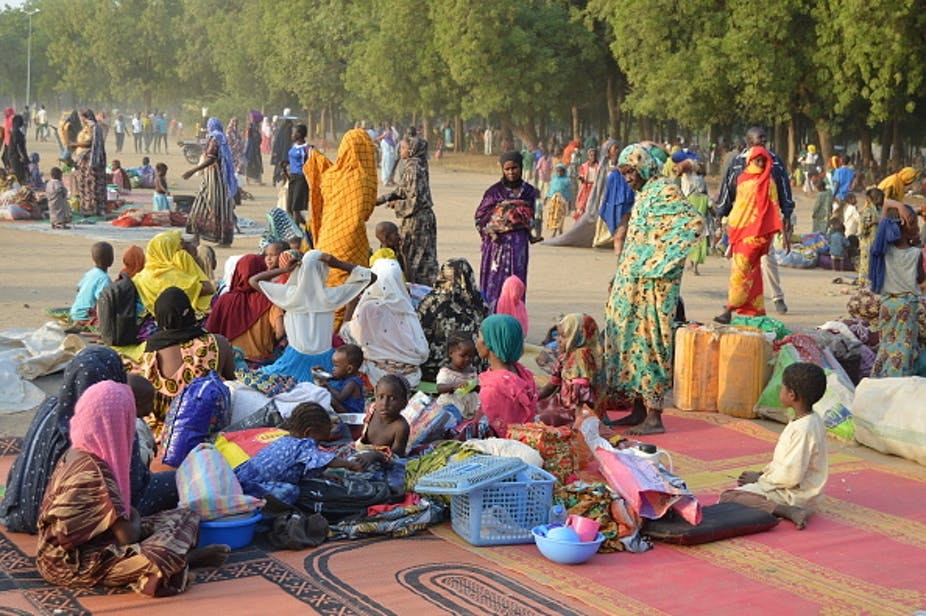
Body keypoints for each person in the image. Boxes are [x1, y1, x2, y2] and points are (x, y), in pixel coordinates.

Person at [36, 380, 229, 597]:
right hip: (70, 563)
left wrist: (129, 516)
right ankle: (185, 560)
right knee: (159, 557)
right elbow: (128, 536)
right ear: (115, 423)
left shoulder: (78, 450)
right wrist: (133, 517)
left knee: (186, 516)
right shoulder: (96, 473)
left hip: (90, 540)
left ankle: (177, 556)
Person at [1, 346, 178, 535]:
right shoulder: (109, 417)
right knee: (179, 483)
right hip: (62, 524)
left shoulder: (50, 405)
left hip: (18, 510)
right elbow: (131, 491)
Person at [603, 143, 702, 435]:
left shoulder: (665, 191)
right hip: (632, 284)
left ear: (644, 165)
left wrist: (656, 264)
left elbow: (693, 224)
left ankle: (655, 416)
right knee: (629, 340)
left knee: (651, 344)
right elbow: (638, 240)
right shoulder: (645, 195)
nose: (628, 178)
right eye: (623, 173)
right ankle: (637, 408)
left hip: (654, 288)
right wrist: (622, 273)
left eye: (630, 171)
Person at [719, 362, 829, 530]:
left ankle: (786, 511)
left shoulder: (804, 429)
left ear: (791, 395)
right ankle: (777, 507)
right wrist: (761, 474)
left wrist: (761, 480)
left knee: (728, 497)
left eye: (782, 388)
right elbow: (785, 462)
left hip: (794, 495)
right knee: (741, 492)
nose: (780, 391)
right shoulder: (810, 420)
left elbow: (791, 475)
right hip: (792, 489)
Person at [257, 250, 372, 382]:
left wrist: (283, 270)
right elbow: (370, 277)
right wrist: (338, 264)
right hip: (324, 361)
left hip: (293, 359)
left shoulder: (290, 295)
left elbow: (254, 280)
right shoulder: (330, 296)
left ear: (301, 269)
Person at [716, 127, 794, 316]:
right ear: (749, 142)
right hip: (743, 222)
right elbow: (728, 190)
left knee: (766, 261)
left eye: (764, 141)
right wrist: (721, 214)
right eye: (759, 141)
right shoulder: (737, 164)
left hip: (765, 224)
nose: (763, 144)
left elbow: (783, 190)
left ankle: (776, 297)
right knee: (742, 266)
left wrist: (787, 216)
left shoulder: (774, 163)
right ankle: (746, 305)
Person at [132, 287, 236, 421]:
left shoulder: (148, 355)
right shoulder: (216, 343)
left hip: (161, 437)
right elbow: (233, 385)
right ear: (189, 311)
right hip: (206, 429)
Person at [234, 402, 361, 507]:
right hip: (252, 489)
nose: (318, 445)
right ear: (308, 432)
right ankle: (263, 512)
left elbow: (302, 466)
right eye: (320, 440)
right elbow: (327, 460)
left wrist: (325, 474)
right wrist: (350, 465)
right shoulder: (304, 444)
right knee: (292, 491)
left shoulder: (284, 439)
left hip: (239, 479)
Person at [342, 258, 429, 387]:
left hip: (377, 376)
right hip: (411, 378)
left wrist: (351, 304)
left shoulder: (368, 307)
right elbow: (423, 352)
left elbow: (346, 336)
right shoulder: (405, 307)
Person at [313, 128, 378, 296]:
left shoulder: (331, 176)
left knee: (327, 284)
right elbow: (366, 211)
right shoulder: (363, 179)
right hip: (351, 239)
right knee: (351, 286)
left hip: (327, 238)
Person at [475, 151, 540, 309]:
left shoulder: (530, 192)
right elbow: (479, 217)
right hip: (497, 246)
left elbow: (537, 216)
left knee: (516, 283)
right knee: (495, 283)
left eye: (514, 168)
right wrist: (492, 229)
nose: (511, 172)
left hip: (519, 245)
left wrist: (532, 229)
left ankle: (515, 319)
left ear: (521, 167)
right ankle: (493, 319)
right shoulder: (494, 192)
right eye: (507, 169)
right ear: (502, 170)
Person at [869, 201, 924, 377]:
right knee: (904, 348)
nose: (917, 228)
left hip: (887, 304)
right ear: (903, 226)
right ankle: (899, 381)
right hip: (907, 306)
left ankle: (881, 379)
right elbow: (921, 279)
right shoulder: (915, 253)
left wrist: (900, 209)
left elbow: (885, 205)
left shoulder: (883, 250)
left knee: (886, 345)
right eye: (914, 224)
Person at [376, 136, 440, 286]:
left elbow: (415, 200)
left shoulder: (414, 169)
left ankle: (417, 290)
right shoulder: (414, 165)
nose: (401, 150)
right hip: (419, 218)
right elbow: (401, 190)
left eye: (404, 148)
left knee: (415, 257)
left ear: (412, 150)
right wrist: (381, 200)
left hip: (418, 221)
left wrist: (396, 204)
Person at [416, 258, 490, 383]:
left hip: (435, 370)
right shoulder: (478, 303)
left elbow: (418, 335)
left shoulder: (430, 302)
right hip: (472, 368)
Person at [205, 254, 284, 363]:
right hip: (260, 361)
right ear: (263, 272)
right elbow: (280, 332)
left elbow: (210, 333)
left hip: (229, 361)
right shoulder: (270, 300)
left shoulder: (224, 300)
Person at [475, 314, 537, 438]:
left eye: (479, 337)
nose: (476, 342)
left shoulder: (492, 389)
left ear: (489, 344)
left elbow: (493, 432)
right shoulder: (523, 373)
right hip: (526, 439)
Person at [537, 313, 603, 426]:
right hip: (565, 404)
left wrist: (577, 425)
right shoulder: (565, 357)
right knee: (533, 408)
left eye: (564, 336)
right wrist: (533, 398)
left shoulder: (582, 358)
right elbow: (552, 384)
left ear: (578, 336)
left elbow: (582, 400)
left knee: (540, 418)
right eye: (558, 335)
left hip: (580, 412)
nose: (558, 340)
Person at [182, 117, 238, 246]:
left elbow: (211, 159)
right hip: (217, 180)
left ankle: (200, 237)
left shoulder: (215, 139)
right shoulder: (222, 138)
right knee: (212, 207)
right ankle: (217, 238)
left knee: (206, 206)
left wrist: (193, 170)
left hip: (214, 181)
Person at [132, 231, 214, 318]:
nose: (181, 253)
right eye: (178, 249)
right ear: (169, 251)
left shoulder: (138, 278)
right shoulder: (176, 277)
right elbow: (208, 288)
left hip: (150, 324)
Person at [356, 374, 411, 459]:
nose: (385, 404)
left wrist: (375, 456)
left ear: (404, 403)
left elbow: (395, 458)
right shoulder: (372, 411)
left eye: (392, 398)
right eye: (380, 397)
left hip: (380, 464)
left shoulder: (400, 427)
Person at [435, 332, 480, 420]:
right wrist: (454, 386)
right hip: (452, 408)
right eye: (463, 356)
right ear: (451, 353)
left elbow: (477, 387)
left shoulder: (472, 371)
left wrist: (476, 387)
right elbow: (439, 387)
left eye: (471, 356)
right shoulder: (447, 372)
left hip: (469, 407)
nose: (467, 359)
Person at [71, 110, 107, 217]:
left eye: (82, 118)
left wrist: (75, 144)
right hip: (90, 160)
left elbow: (90, 143)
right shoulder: (90, 128)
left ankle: (92, 208)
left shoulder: (93, 128)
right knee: (88, 184)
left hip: (91, 160)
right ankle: (90, 207)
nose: (81, 120)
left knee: (92, 184)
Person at [68, 241, 113, 326]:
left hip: (75, 312)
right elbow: (102, 301)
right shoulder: (104, 279)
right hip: (86, 316)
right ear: (111, 259)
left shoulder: (90, 273)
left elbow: (79, 288)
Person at [313, 344, 365, 415]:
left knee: (331, 400)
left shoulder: (352, 383)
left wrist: (328, 386)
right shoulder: (345, 377)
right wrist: (323, 373)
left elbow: (340, 397)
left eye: (336, 366)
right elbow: (332, 377)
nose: (333, 368)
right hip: (345, 409)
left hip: (351, 415)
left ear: (349, 369)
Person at [282, 124, 311, 226]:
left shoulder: (307, 148)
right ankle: (308, 227)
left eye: (293, 133)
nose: (292, 135)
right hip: (292, 178)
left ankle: (296, 234)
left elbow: (312, 163)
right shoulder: (294, 146)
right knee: (290, 208)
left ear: (299, 134)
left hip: (301, 178)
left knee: (296, 208)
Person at [856, 188, 882, 287]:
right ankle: (867, 281)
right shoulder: (874, 210)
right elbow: (867, 225)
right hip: (872, 239)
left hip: (871, 239)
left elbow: (866, 226)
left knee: (868, 261)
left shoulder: (872, 209)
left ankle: (866, 281)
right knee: (869, 261)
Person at [544, 163, 571, 237]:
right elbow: (550, 189)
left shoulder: (567, 180)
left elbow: (568, 192)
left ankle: (559, 230)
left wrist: (569, 201)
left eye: (561, 171)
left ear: (563, 171)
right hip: (553, 199)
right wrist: (546, 197)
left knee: (560, 216)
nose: (559, 173)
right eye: (558, 171)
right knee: (553, 216)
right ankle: (555, 230)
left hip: (562, 200)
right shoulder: (554, 179)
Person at [573, 147, 599, 220]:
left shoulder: (599, 167)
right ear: (588, 156)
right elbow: (582, 175)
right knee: (582, 205)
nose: (593, 157)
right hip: (586, 188)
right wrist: (581, 178)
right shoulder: (584, 166)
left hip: (595, 188)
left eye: (594, 155)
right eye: (591, 155)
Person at [244, 111, 264, 186]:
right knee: (253, 164)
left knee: (254, 164)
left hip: (253, 149)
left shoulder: (253, 126)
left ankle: (255, 180)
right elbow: (255, 138)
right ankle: (250, 180)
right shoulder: (254, 127)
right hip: (253, 149)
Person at [8, 115, 28, 185]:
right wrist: (22, 156)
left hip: (15, 156)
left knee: (20, 175)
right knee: (19, 175)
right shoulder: (16, 132)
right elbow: (18, 145)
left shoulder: (15, 130)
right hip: (16, 157)